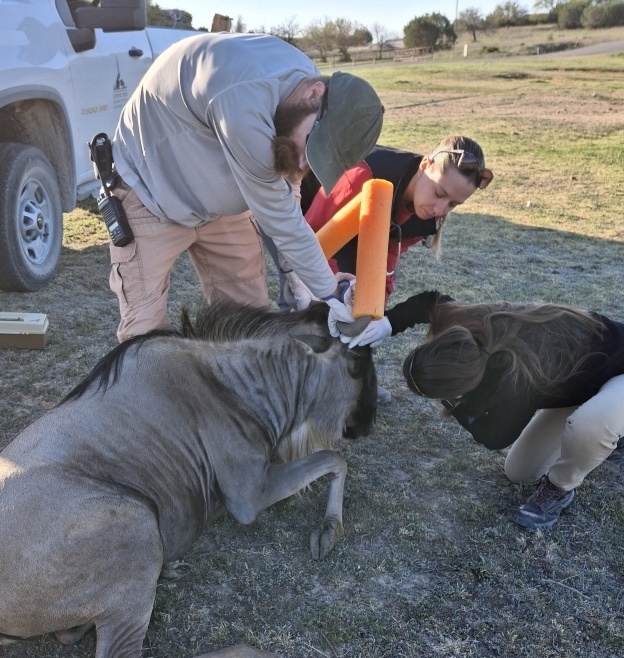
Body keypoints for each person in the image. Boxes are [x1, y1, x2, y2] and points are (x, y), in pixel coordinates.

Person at [106, 32, 384, 341]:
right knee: (146, 340)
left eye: (316, 162)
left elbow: (287, 187)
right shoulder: (243, 103)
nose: (304, 165)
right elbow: (283, 221)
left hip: (222, 204)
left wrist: (303, 279)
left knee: (248, 331)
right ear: (314, 94)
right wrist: (330, 294)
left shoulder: (299, 95)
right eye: (311, 148)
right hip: (150, 191)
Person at [356, 290, 624, 530]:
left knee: (589, 427)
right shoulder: (465, 332)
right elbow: (430, 303)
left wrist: (454, 405)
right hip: (582, 384)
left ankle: (560, 489)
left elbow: (496, 436)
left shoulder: (516, 375)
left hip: (618, 372)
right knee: (519, 471)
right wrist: (390, 323)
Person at [277, 136, 491, 309]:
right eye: (438, 192)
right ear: (425, 165)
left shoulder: (427, 213)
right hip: (292, 208)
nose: (439, 209)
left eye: (453, 204)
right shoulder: (363, 176)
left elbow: (385, 260)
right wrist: (334, 291)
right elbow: (308, 242)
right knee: (304, 298)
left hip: (353, 229)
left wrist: (374, 310)